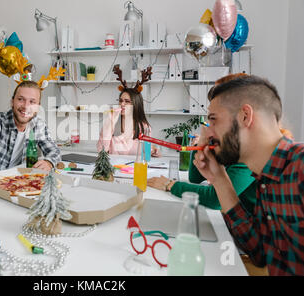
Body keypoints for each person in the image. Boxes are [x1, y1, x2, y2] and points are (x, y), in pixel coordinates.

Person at [192, 74, 304, 275]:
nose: (207, 134)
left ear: (245, 116)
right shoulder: (265, 178)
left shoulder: (300, 167)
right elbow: (259, 253)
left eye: (213, 121)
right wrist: (219, 180)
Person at [147, 73, 259, 211]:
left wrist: (171, 185)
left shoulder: (250, 151)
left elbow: (216, 199)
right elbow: (195, 178)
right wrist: (201, 144)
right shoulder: (228, 142)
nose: (212, 122)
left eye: (216, 116)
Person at [97, 66, 160, 156]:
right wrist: (109, 122)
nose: (122, 104)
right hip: (114, 168)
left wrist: (153, 151)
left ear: (135, 104)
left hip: (134, 169)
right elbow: (101, 151)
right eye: (120, 100)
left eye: (127, 101)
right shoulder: (113, 123)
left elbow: (146, 154)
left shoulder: (144, 127)